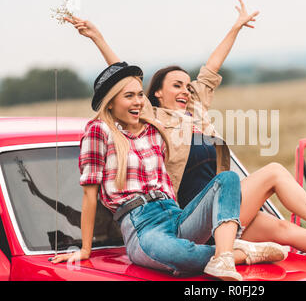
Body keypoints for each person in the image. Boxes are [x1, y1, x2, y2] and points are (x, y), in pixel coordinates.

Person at [64, 0, 306, 267]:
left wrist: (236, 27)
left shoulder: (197, 112)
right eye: (176, 85)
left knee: (282, 226)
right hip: (192, 212)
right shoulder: (153, 119)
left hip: (227, 203)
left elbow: (211, 69)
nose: (186, 90)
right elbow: (122, 82)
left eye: (188, 86)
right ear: (157, 94)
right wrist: (97, 37)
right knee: (274, 183)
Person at [50, 62, 288, 281]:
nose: (138, 101)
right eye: (128, 96)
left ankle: (225, 256)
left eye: (140, 94)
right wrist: (85, 249)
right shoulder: (98, 131)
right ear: (111, 102)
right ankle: (242, 251)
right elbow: (89, 195)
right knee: (177, 254)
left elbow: (196, 103)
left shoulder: (154, 129)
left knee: (227, 178)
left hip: (176, 214)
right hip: (141, 225)